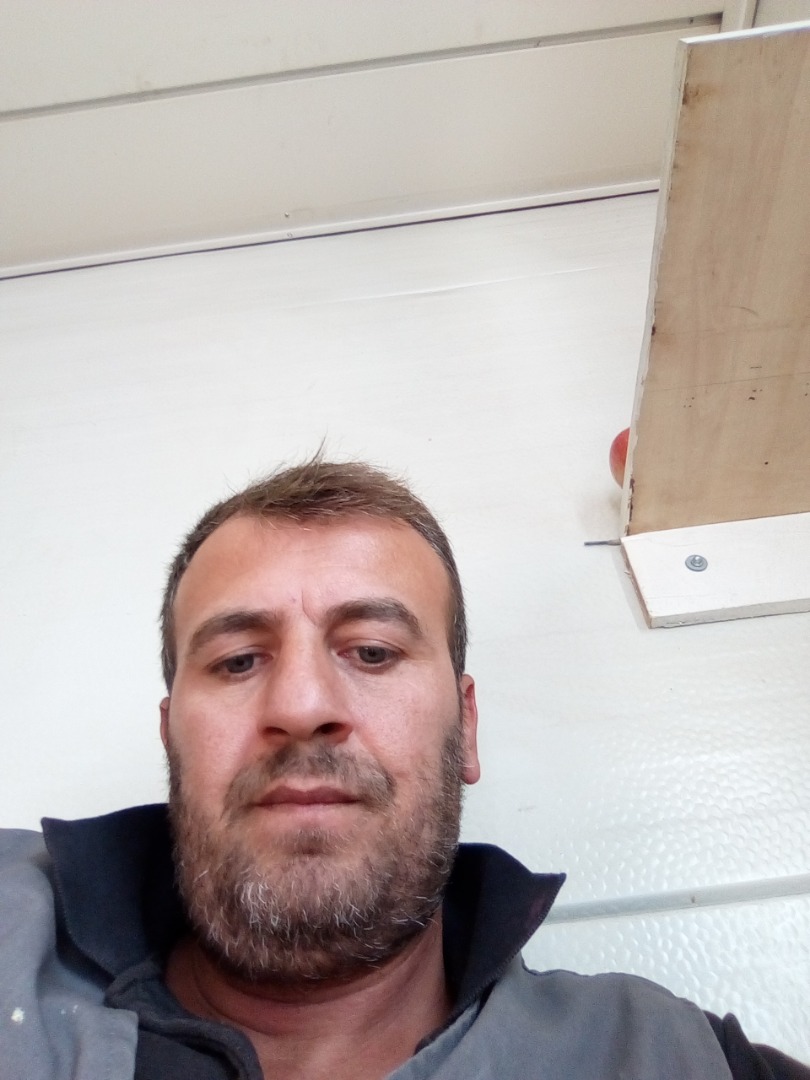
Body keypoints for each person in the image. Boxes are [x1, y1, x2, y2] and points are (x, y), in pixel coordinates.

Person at [1, 457, 807, 1080]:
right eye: (240, 660)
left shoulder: (668, 1057)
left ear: (467, 729)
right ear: (171, 737)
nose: (303, 705)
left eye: (373, 651)